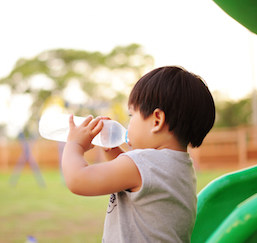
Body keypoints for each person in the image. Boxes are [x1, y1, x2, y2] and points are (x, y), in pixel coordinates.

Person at [61, 66, 216, 242]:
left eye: (131, 114)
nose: (129, 123)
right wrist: (111, 147)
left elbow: (78, 180)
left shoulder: (145, 163)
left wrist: (74, 144)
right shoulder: (179, 167)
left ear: (157, 120)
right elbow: (132, 180)